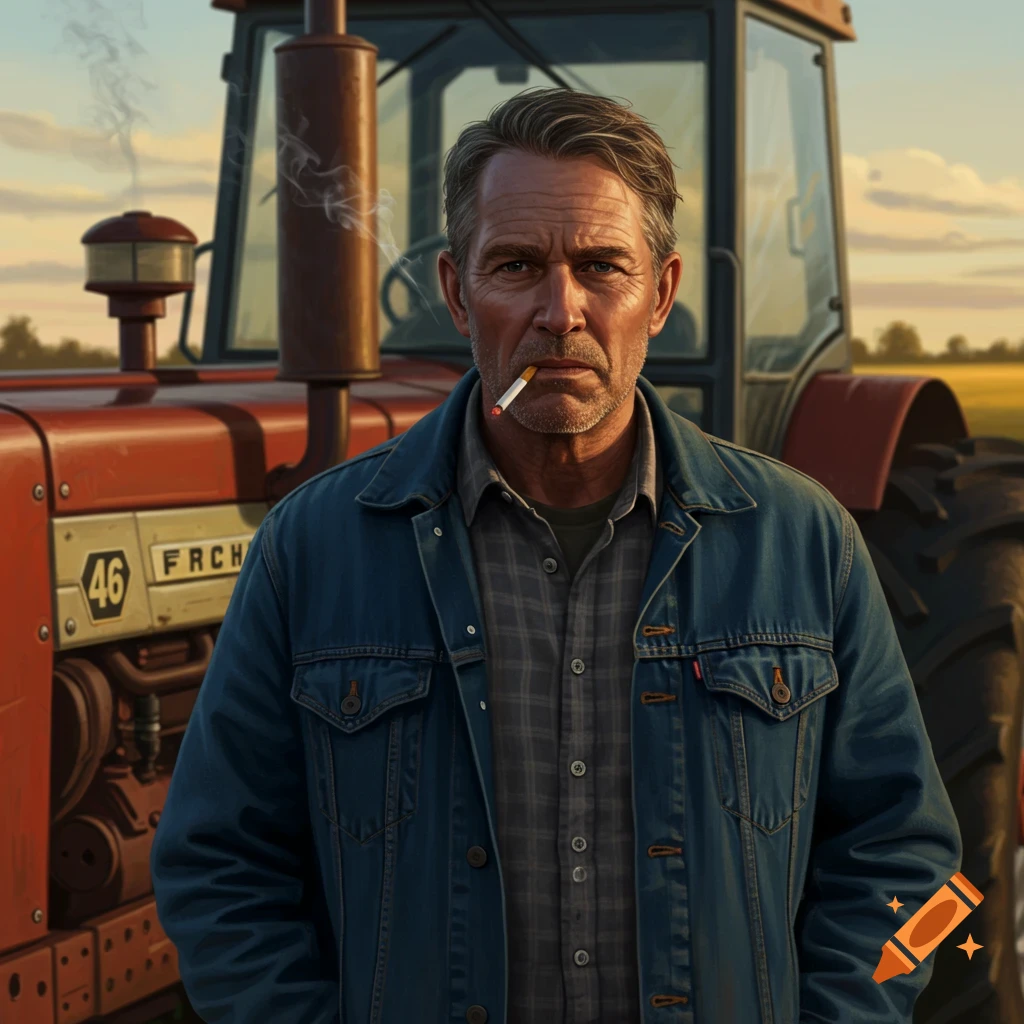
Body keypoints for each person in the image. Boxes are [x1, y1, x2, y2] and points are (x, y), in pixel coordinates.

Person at [151, 87, 962, 1023]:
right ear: (459, 291)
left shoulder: (805, 542)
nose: (559, 311)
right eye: (518, 265)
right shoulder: (312, 551)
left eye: (601, 266)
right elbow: (216, 868)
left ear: (659, 294)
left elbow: (916, 867)